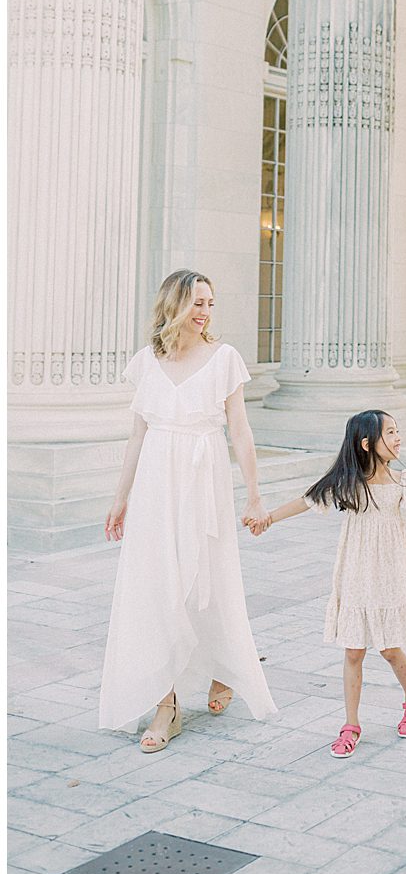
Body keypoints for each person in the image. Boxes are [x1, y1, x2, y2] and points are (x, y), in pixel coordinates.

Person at [100, 270, 276, 750]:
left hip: (203, 480)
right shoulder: (145, 363)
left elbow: (240, 431)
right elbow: (137, 436)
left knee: (207, 582)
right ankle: (166, 702)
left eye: (210, 304)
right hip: (157, 483)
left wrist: (254, 493)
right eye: (197, 302)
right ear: (174, 305)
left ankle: (226, 668)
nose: (204, 312)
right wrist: (121, 498)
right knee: (157, 586)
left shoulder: (224, 359)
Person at [248, 409, 406, 757]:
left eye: (397, 431)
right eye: (390, 432)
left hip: (390, 572)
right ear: (367, 443)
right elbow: (306, 501)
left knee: (391, 648)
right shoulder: (347, 483)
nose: (397, 438)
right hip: (356, 573)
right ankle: (351, 723)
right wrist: (268, 519)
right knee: (353, 650)